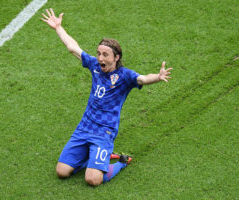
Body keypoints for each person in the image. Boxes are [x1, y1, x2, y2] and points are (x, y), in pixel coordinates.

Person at [41, 8, 172, 186]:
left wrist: (158, 77)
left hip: (104, 132)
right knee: (62, 172)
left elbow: (142, 78)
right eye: (99, 53)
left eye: (105, 55)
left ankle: (120, 162)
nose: (100, 57)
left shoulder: (125, 76)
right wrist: (58, 28)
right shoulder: (95, 65)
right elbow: (73, 48)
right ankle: (93, 158)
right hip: (84, 128)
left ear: (116, 57)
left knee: (92, 180)